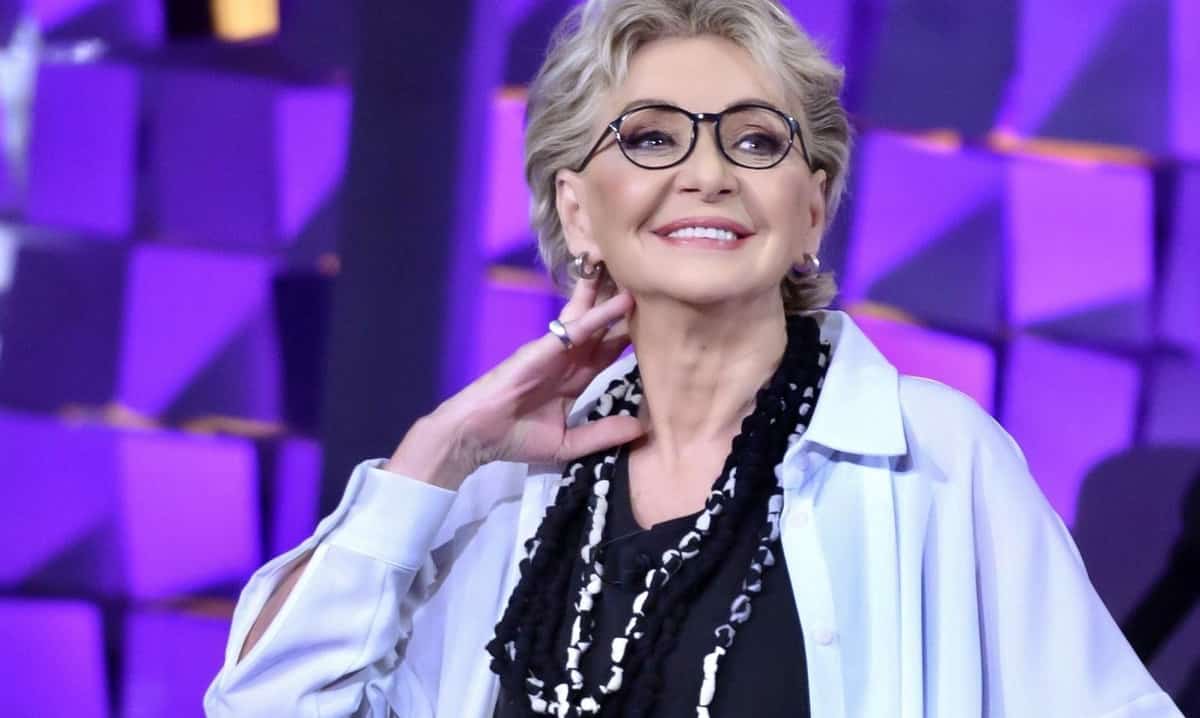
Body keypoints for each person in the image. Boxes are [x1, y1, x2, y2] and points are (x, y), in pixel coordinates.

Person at [204, 1, 1183, 716]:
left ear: (811, 208)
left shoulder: (937, 456)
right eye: (651, 138)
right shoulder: (494, 491)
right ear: (578, 211)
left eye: (754, 141)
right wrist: (436, 453)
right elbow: (264, 703)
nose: (707, 173)